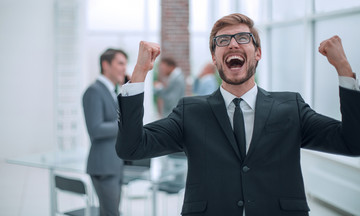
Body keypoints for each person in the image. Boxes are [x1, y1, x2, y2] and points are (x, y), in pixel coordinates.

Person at [115, 13, 360, 216]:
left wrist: (344, 70)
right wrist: (138, 73)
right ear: (214, 58)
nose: (233, 44)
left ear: (258, 53)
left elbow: (353, 142)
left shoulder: (290, 107)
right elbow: (132, 148)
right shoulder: (190, 112)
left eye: (243, 38)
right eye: (223, 41)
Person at [83, 48, 128, 216]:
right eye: (120, 63)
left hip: (114, 165)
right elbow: (95, 129)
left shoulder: (111, 91)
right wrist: (125, 126)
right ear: (105, 65)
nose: (124, 68)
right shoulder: (94, 91)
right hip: (104, 167)